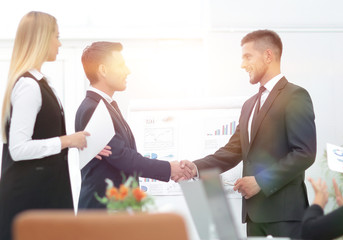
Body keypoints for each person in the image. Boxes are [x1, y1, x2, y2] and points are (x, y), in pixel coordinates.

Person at [180, 30, 317, 238]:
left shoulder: (295, 96)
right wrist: (196, 167)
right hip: (254, 216)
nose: (243, 65)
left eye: (247, 56)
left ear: (268, 56)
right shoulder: (248, 105)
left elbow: (304, 153)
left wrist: (261, 181)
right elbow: (232, 151)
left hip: (285, 216)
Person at [0, 11, 91, 240]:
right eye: (56, 36)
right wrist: (67, 140)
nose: (59, 43)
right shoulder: (29, 86)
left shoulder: (39, 83)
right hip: (30, 199)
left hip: (42, 193)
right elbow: (18, 149)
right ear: (42, 38)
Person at [76, 41, 193, 209]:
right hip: (102, 211)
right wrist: (169, 168)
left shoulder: (104, 106)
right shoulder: (92, 108)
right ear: (103, 70)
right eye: (121, 65)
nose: (128, 71)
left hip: (114, 209)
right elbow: (122, 157)